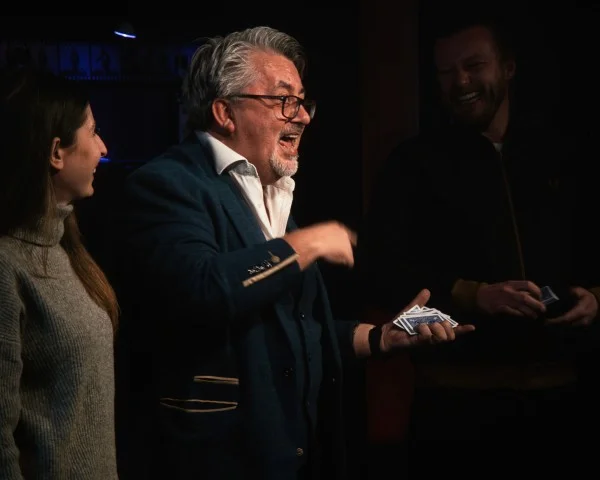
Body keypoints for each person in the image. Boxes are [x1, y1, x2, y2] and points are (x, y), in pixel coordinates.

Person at [112, 25, 474, 480]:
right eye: (284, 100)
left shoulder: (273, 190)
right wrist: (309, 243)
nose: (302, 116)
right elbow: (201, 289)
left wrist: (381, 338)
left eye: (303, 102)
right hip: (218, 462)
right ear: (225, 112)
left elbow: (293, 333)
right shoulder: (167, 184)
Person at [357, 10, 600, 449]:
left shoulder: (562, 154)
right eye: (446, 72)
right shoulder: (413, 164)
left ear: (508, 67)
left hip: (565, 396)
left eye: (474, 65)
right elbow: (381, 271)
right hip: (454, 402)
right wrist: (475, 294)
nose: (461, 82)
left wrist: (596, 298)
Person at [0, 67, 119, 478]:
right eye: (93, 132)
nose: (103, 147)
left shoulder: (68, 250)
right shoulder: (7, 266)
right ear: (56, 152)